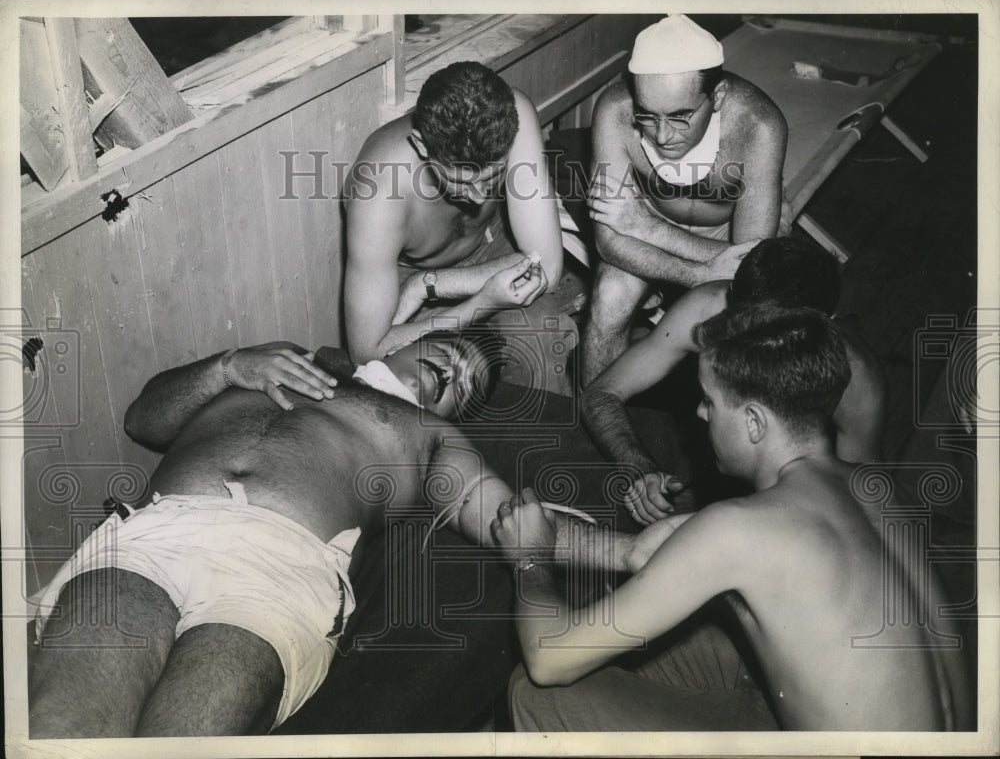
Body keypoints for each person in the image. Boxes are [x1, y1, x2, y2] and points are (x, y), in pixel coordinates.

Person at [27, 334, 638, 738]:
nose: (450, 371)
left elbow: (510, 520)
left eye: (464, 387)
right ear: (404, 340)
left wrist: (638, 550)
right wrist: (226, 366)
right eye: (446, 350)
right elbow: (143, 418)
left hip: (282, 575)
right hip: (159, 532)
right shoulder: (283, 356)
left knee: (186, 739)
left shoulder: (427, 435)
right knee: (61, 724)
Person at [493, 304, 973, 731]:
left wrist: (530, 561)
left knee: (533, 690)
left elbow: (548, 660)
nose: (700, 414)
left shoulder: (738, 530)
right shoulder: (878, 487)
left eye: (709, 400)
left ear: (755, 423)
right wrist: (677, 549)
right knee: (695, 634)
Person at [582, 237, 887, 523]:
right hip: (706, 453)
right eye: (739, 320)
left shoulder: (855, 381)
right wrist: (639, 469)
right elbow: (601, 394)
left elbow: (857, 506)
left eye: (765, 335)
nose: (745, 341)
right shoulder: (707, 307)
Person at [344, 61, 578, 392]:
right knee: (416, 384)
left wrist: (427, 285)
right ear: (422, 148)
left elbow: (547, 268)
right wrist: (480, 303)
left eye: (493, 177)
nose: (479, 196)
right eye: (459, 181)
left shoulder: (516, 115)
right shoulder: (378, 193)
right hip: (406, 272)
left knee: (538, 336)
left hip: (487, 248)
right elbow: (365, 353)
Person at [582, 14, 790, 384]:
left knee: (753, 318)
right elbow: (609, 241)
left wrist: (645, 226)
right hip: (645, 232)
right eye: (647, 116)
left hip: (710, 233)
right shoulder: (615, 111)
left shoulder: (759, 124)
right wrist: (698, 274)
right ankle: (596, 417)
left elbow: (751, 261)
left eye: (680, 116)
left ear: (718, 95)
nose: (662, 136)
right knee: (610, 295)